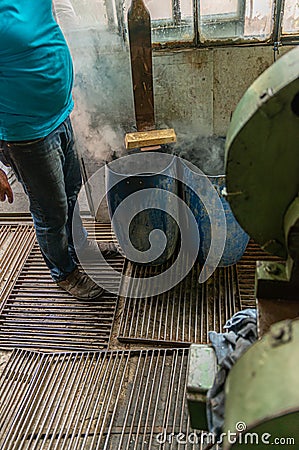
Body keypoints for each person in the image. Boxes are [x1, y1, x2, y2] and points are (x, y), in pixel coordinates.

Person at [0, 0, 118, 301]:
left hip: (60, 115)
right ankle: (63, 271)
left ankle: (77, 246)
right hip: (26, 135)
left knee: (71, 192)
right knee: (50, 210)